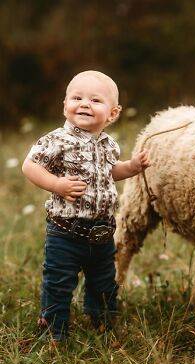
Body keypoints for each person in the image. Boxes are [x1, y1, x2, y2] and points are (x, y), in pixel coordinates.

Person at [21, 70, 150, 347]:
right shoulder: (57, 140)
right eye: (76, 97)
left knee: (103, 284)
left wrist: (132, 167)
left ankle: (102, 322)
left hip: (102, 234)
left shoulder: (108, 144)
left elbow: (110, 172)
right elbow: (29, 166)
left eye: (95, 100)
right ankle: (54, 331)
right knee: (59, 283)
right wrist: (56, 184)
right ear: (65, 105)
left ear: (113, 114)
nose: (84, 104)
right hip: (65, 233)